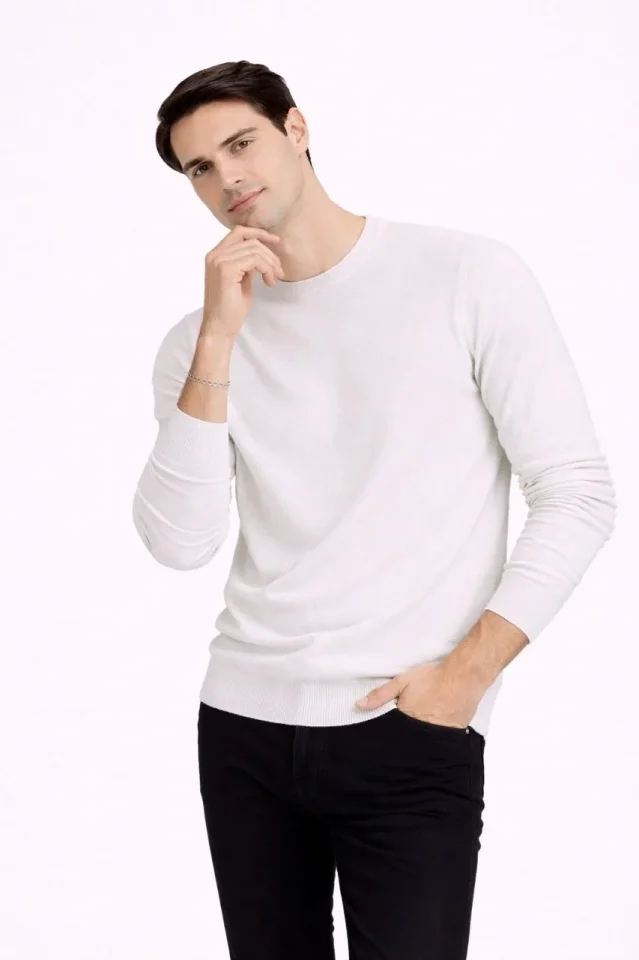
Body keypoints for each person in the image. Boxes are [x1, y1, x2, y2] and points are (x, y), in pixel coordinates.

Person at [132, 59, 617, 960]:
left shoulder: (464, 274)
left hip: (408, 726)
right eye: (199, 167)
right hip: (242, 730)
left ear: (296, 128)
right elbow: (178, 541)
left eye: (241, 144)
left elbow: (576, 491)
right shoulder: (198, 343)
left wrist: (467, 676)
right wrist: (218, 339)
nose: (227, 177)